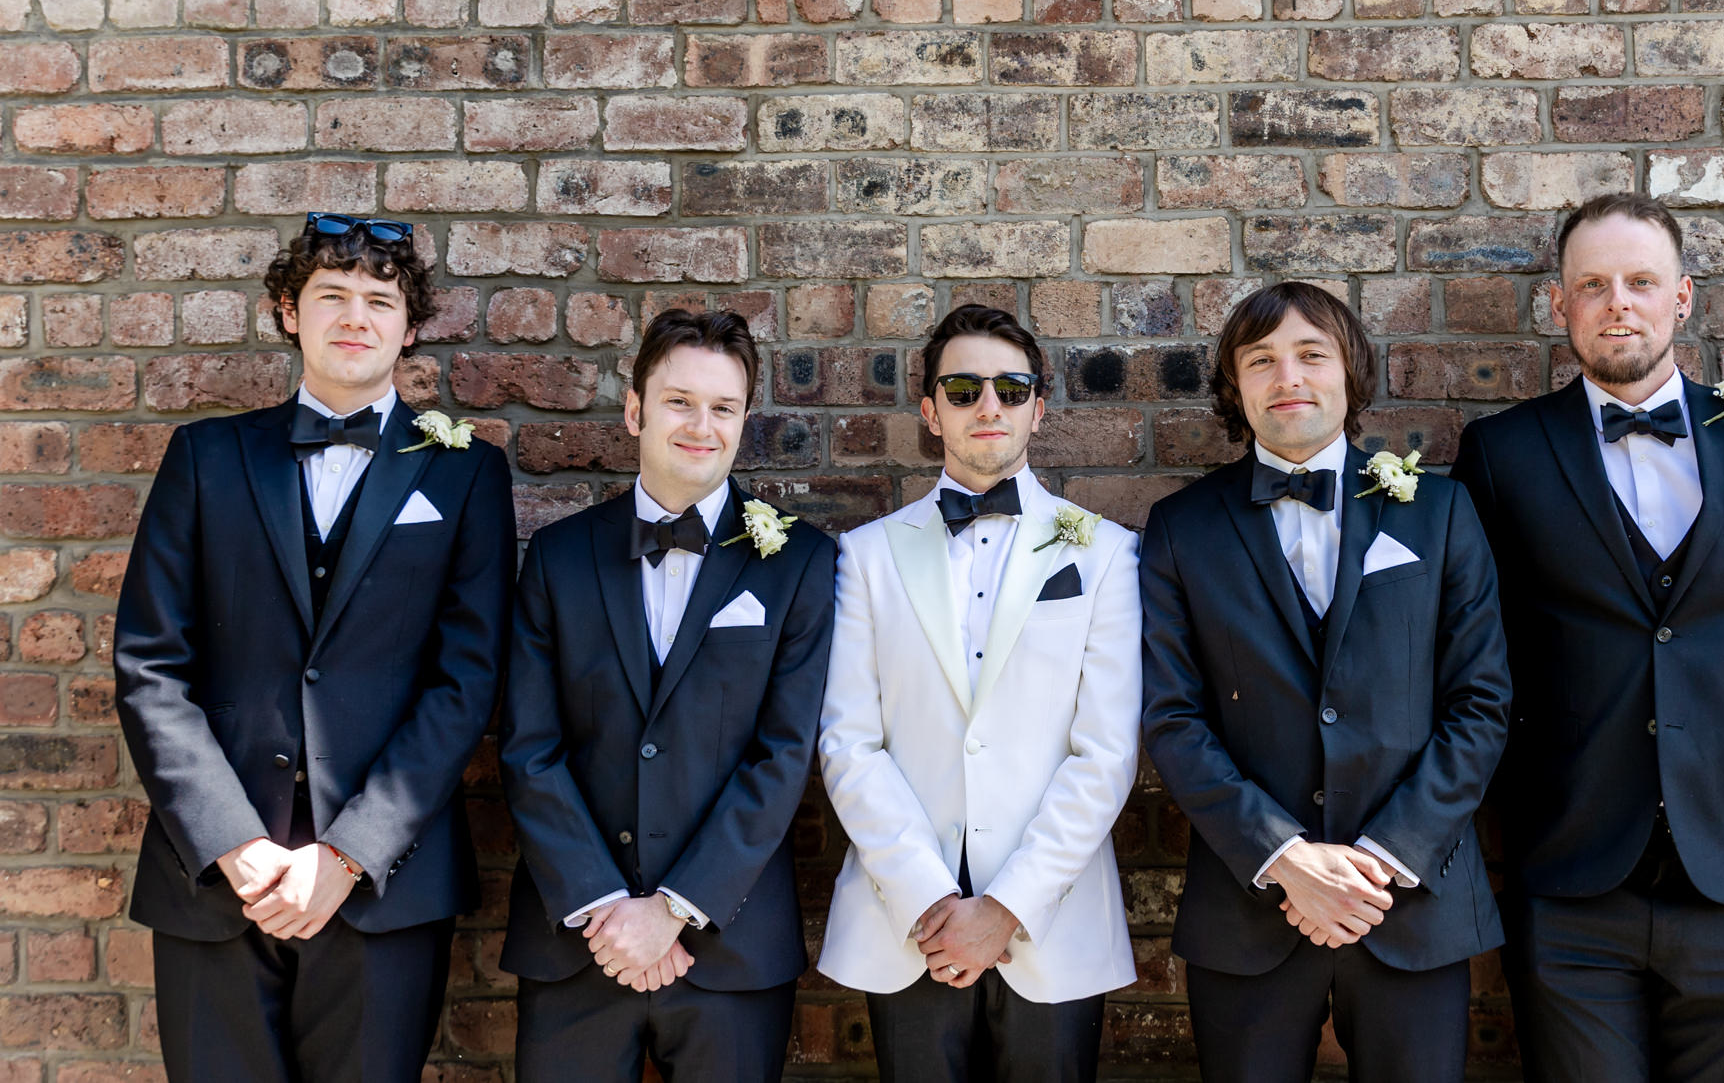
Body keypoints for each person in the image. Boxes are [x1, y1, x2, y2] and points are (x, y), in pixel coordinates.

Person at [1450, 191, 1724, 1082]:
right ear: (1559, 305)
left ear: (1683, 296)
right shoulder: (1500, 453)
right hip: (1572, 865)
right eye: (1592, 284)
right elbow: (1475, 648)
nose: (1616, 301)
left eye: (1640, 280)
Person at [115, 213, 514, 1083]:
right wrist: (233, 842)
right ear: (289, 312)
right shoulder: (206, 457)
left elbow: (466, 682)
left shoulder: (465, 475)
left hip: (383, 889)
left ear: (411, 328)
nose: (355, 316)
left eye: (380, 299)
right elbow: (150, 667)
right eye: (331, 294)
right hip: (218, 886)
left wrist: (349, 854)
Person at [1140, 281, 1511, 1083]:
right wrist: (1287, 861)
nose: (1289, 377)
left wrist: (1379, 857)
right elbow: (1173, 718)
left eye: (1312, 354)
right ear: (1236, 387)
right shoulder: (1182, 527)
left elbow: (1481, 706)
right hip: (1250, 911)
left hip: (1409, 903)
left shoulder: (1440, 513)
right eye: (1262, 360)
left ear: (1352, 372)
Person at [498, 308, 833, 1083]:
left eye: (723, 407)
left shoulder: (800, 562)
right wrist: (605, 906)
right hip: (577, 946)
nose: (701, 425)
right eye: (680, 400)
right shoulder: (558, 557)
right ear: (635, 408)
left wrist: (674, 907)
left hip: (731, 948)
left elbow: (783, 756)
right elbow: (528, 746)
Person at [818, 303, 1141, 1083]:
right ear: (931, 411)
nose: (987, 405)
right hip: (907, 924)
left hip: (1050, 922)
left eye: (1009, 386)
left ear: (1039, 404)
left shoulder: (1102, 553)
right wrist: (932, 898)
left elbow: (1106, 751)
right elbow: (848, 742)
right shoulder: (865, 556)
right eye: (962, 389)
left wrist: (1005, 908)